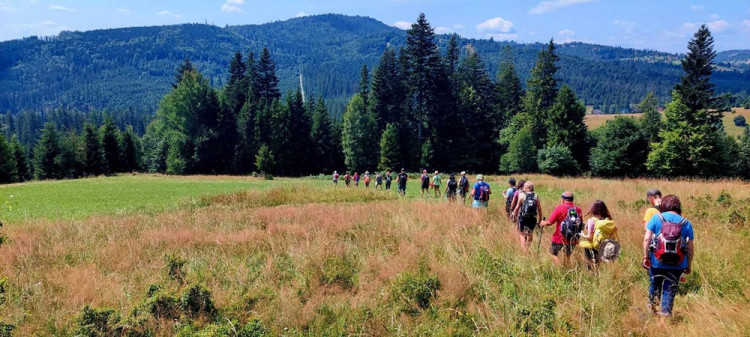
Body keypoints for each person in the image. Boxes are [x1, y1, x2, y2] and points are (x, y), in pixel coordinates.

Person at [642, 195, 694, 318]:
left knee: (654, 284)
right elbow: (690, 248)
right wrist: (688, 265)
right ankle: (665, 315)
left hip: (656, 260)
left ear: (663, 206)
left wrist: (645, 257)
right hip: (678, 262)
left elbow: (647, 239)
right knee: (669, 289)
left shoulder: (656, 218)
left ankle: (652, 312)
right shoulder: (686, 223)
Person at [540, 191, 583, 266]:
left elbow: (549, 222)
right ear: (572, 199)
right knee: (567, 255)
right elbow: (580, 223)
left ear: (563, 199)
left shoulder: (560, 208)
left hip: (559, 237)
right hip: (573, 238)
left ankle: (560, 268)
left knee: (553, 253)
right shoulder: (578, 209)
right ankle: (567, 270)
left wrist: (542, 223)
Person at [579, 200, 619, 269]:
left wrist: (582, 234)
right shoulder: (608, 221)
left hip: (594, 246)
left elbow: (589, 237)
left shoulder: (592, 221)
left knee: (591, 265)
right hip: (605, 246)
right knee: (599, 264)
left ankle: (592, 276)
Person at [512, 181, 542, 253]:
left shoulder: (521, 195)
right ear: (532, 188)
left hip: (523, 217)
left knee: (521, 233)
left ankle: (524, 249)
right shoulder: (535, 196)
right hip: (533, 218)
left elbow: (517, 208)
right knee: (530, 232)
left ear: (525, 187)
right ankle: (528, 247)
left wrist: (514, 216)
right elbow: (539, 209)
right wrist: (540, 219)